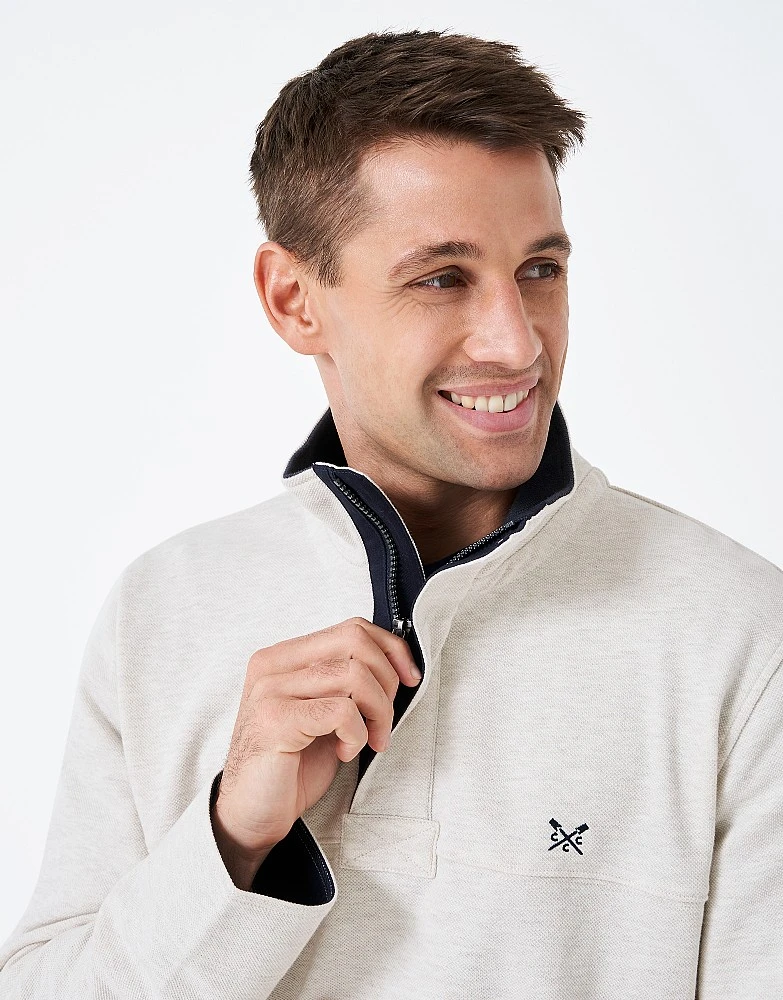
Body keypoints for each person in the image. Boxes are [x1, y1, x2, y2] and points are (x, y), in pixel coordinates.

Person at [1, 27, 781, 1000]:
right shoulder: (163, 608)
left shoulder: (740, 633)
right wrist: (232, 839)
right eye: (442, 278)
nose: (515, 342)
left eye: (540, 269)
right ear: (294, 300)